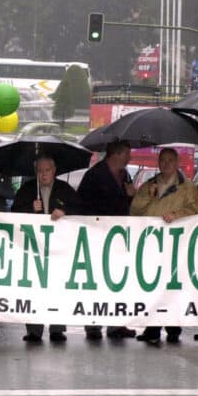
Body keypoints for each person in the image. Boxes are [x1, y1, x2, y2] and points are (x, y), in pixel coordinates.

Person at [130, 148, 198, 345]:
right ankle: (152, 328)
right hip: (152, 243)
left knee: (172, 288)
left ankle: (173, 327)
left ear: (177, 162)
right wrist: (149, 197)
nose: (166, 164)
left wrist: (176, 215)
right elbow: (135, 209)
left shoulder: (188, 187)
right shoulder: (149, 185)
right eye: (163, 160)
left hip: (176, 244)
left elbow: (197, 210)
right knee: (153, 287)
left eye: (170, 160)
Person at [11, 155, 81, 342]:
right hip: (33, 248)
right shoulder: (27, 190)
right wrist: (29, 208)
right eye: (39, 171)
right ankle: (34, 330)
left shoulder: (65, 189)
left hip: (59, 248)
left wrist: (65, 212)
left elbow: (81, 210)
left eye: (47, 170)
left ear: (54, 170)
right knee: (33, 287)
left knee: (58, 286)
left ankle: (57, 328)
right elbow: (13, 215)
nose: (43, 174)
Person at [76, 140, 137, 340]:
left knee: (117, 280)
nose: (129, 159)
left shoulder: (125, 176)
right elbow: (82, 205)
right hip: (96, 236)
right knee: (96, 281)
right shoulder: (94, 175)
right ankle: (93, 324)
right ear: (116, 154)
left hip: (119, 238)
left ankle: (116, 323)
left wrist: (130, 196)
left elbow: (125, 206)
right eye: (127, 154)